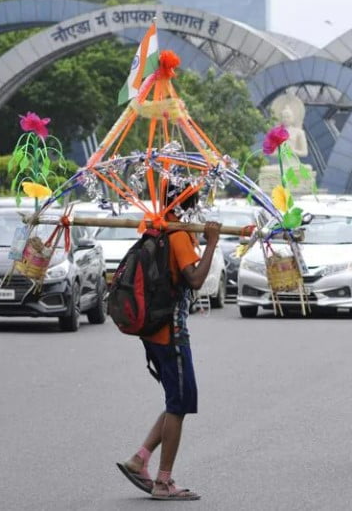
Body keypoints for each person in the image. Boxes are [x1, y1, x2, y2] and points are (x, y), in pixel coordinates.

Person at [116, 184, 221, 500]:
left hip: (156, 331)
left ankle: (140, 460)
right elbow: (196, 279)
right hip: (170, 334)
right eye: (196, 199)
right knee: (180, 403)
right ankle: (163, 481)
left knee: (178, 399)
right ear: (187, 202)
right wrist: (213, 244)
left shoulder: (163, 227)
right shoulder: (175, 235)